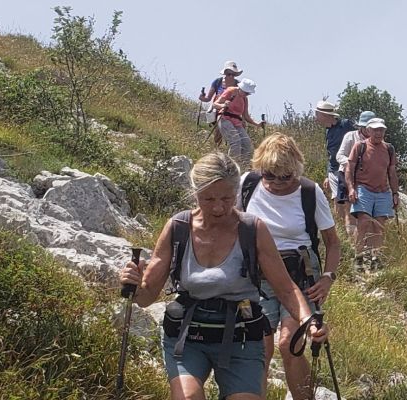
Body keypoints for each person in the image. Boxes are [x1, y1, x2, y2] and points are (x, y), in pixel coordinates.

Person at [121, 153, 326, 400]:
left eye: (227, 198)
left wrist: (309, 321)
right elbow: (144, 298)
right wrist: (133, 282)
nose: (218, 207)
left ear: (236, 192)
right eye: (208, 198)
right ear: (194, 192)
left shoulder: (253, 229)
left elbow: (286, 289)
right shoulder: (178, 228)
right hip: (188, 337)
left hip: (242, 337)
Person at [239, 134, 341, 400]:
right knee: (259, 348)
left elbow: (332, 242)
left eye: (286, 177)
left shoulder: (309, 192)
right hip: (257, 275)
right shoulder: (248, 185)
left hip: (301, 275)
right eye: (270, 175)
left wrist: (328, 277)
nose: (277, 183)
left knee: (289, 344)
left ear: (296, 170)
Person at [342, 118, 400, 268]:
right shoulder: (359, 146)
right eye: (375, 130)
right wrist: (351, 189)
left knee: (379, 225)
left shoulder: (389, 149)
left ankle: (376, 259)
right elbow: (349, 168)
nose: (379, 133)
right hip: (363, 189)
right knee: (363, 222)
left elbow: (392, 173)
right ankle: (359, 258)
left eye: (381, 130)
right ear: (368, 131)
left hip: (383, 191)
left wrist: (395, 193)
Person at [212, 78, 266, 167]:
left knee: (247, 145)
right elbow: (215, 104)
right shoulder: (230, 91)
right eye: (246, 92)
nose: (247, 95)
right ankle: (231, 167)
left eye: (248, 93)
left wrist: (257, 124)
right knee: (235, 142)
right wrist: (223, 105)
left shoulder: (244, 99)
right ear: (241, 89)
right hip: (224, 119)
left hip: (237, 122)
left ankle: (243, 167)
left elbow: (246, 116)